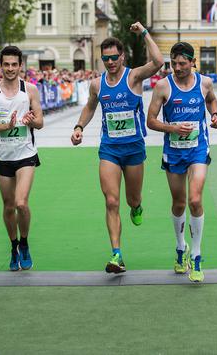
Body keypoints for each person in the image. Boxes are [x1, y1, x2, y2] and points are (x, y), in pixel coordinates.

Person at [70, 22, 164, 274]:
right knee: (111, 201)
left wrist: (144, 32)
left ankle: (137, 206)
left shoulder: (133, 76)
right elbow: (90, 106)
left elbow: (157, 62)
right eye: (106, 58)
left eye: (114, 58)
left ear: (122, 57)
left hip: (133, 149)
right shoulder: (97, 85)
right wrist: (79, 126)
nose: (110, 62)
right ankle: (116, 254)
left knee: (132, 199)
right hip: (109, 149)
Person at [146, 41, 217, 283]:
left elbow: (211, 100)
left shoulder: (205, 83)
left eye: (182, 63)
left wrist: (215, 115)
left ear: (192, 62)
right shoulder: (162, 86)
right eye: (173, 63)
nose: (176, 68)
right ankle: (181, 248)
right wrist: (172, 127)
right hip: (174, 152)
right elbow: (150, 120)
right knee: (179, 203)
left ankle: (197, 255)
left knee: (195, 199)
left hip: (198, 150)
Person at [0, 46, 44, 271]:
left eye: (14, 64)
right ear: (0, 66)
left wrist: (30, 121)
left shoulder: (30, 90)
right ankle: (14, 246)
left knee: (21, 203)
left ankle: (25, 243)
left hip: (25, 153)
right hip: (2, 156)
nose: (10, 69)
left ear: (20, 66)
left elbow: (40, 122)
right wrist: (5, 126)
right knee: (8, 207)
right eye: (6, 64)